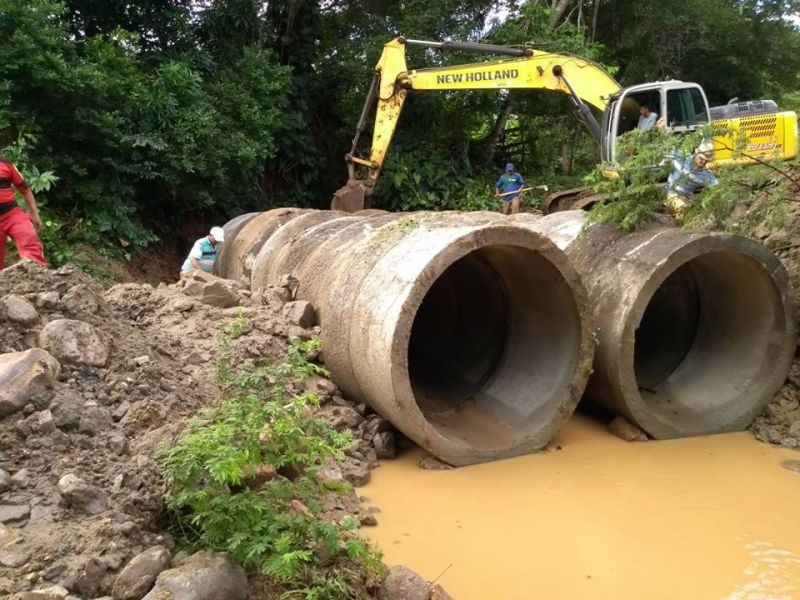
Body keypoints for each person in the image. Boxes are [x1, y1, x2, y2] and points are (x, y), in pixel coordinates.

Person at [0, 156, 47, 270]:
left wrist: (35, 214)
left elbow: (25, 189)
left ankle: (37, 274)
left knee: (28, 237)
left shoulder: (5, 163)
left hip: (11, 214)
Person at [664, 143, 718, 219]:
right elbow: (667, 144)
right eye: (701, 158)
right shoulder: (682, 156)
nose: (703, 162)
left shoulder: (706, 175)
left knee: (693, 212)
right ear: (696, 153)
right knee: (685, 212)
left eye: (706, 161)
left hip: (685, 198)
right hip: (670, 193)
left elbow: (718, 187)